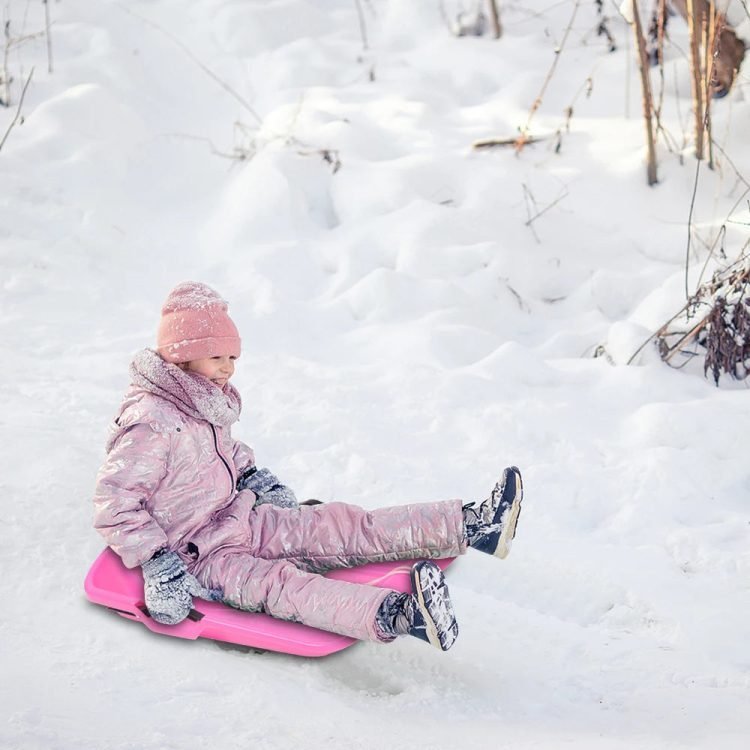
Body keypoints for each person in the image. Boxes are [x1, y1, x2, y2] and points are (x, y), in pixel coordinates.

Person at [92, 282, 524, 651]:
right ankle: (402, 615)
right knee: (282, 586)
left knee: (340, 525)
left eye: (233, 358)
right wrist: (158, 562)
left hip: (240, 518)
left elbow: (218, 452)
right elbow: (115, 503)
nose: (227, 369)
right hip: (197, 554)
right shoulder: (151, 420)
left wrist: (251, 476)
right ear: (183, 357)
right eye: (216, 357)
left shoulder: (201, 399)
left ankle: (472, 525)